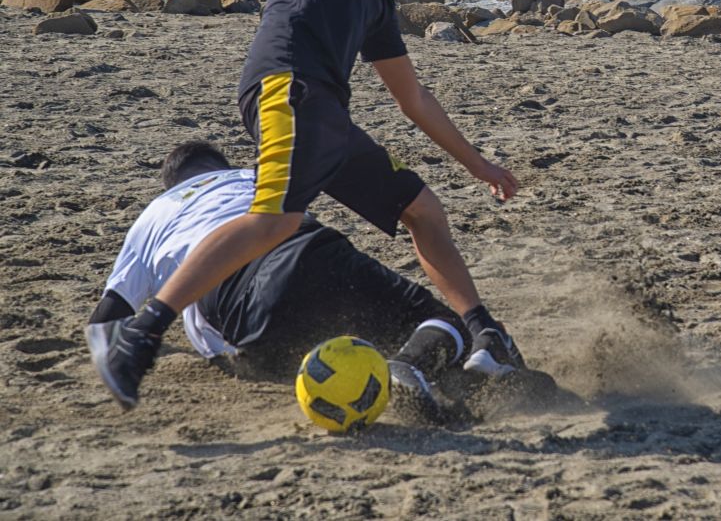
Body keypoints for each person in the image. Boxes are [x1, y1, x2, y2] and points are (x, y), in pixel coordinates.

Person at [89, 0, 522, 411]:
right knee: (275, 219)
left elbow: (414, 99)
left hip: (327, 117)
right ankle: (142, 336)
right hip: (285, 86)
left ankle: (486, 333)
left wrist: (479, 164)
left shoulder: (376, 0)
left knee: (424, 210)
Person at [89, 141, 505, 422]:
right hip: (312, 249)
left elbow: (108, 317)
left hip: (240, 303)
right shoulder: (251, 177)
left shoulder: (154, 215)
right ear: (222, 167)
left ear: (172, 186)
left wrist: (121, 375)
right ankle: (411, 363)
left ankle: (388, 379)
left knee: (286, 354)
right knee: (439, 323)